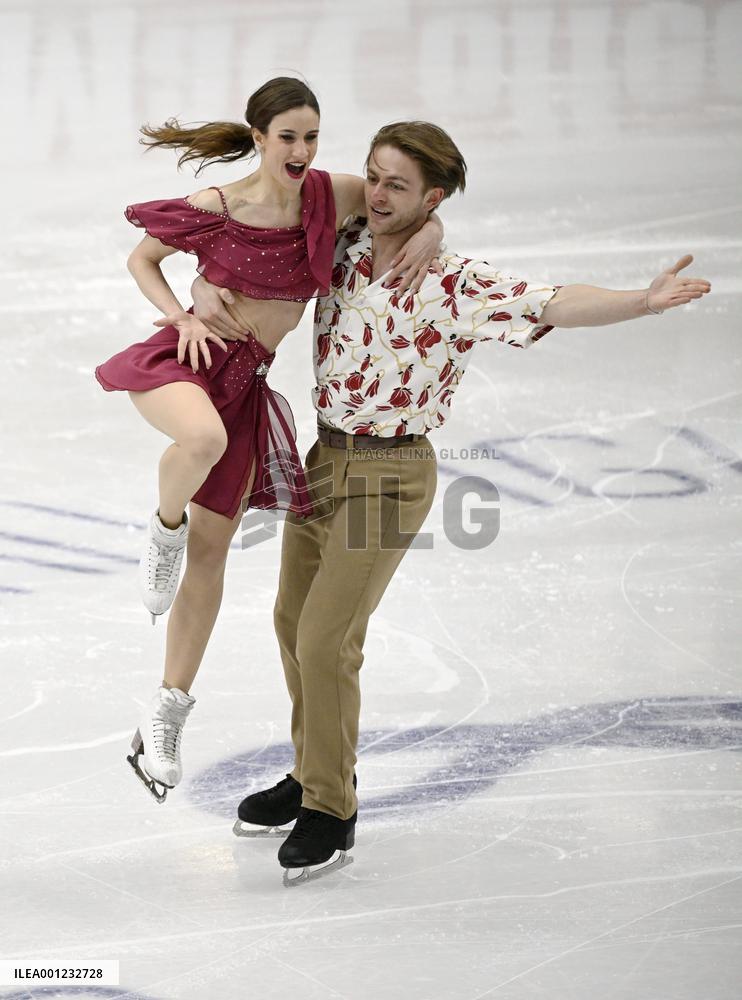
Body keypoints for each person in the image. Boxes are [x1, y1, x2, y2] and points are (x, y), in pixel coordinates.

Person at [190, 120, 711, 886]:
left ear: (432, 195)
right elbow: (266, 222)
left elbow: (555, 302)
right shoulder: (342, 241)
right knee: (292, 622)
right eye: (374, 176)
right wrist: (203, 284)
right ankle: (312, 771)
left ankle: (331, 809)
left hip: (388, 471)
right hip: (325, 457)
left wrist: (642, 300)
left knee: (328, 636)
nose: (378, 192)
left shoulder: (455, 281)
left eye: (399, 185)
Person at [94, 79, 444, 804]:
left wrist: (434, 233)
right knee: (200, 440)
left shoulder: (330, 195)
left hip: (247, 385)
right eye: (288, 136)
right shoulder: (221, 206)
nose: (302, 149)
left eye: (312, 136)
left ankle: (164, 714)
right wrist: (181, 316)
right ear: (259, 137)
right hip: (186, 366)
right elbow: (142, 258)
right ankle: (163, 529)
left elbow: (407, 205)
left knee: (214, 554)